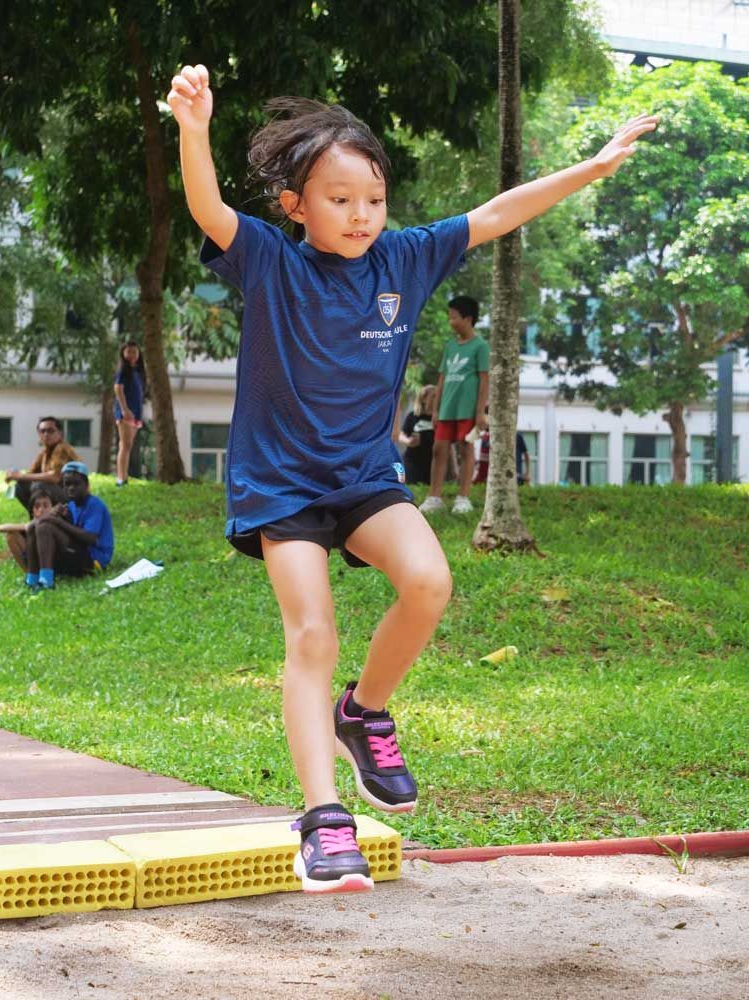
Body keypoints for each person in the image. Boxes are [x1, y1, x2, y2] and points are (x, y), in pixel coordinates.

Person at [168, 62, 656, 893]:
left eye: (374, 199)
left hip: (362, 476)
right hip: (282, 485)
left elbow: (499, 212)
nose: (361, 215)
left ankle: (362, 712)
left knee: (429, 581)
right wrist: (193, 129)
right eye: (339, 198)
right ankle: (324, 821)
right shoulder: (268, 263)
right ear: (295, 205)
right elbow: (209, 208)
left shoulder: (404, 260)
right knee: (311, 635)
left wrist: (595, 166)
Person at [419, 297, 488, 515]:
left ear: (468, 319)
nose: (451, 321)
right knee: (439, 450)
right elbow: (442, 379)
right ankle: (434, 497)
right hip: (447, 409)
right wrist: (436, 408)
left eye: (454, 317)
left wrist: (480, 412)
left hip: (467, 410)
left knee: (466, 449)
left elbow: (484, 380)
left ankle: (463, 497)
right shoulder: (450, 346)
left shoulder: (481, 346)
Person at [24, 461, 114, 592]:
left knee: (45, 526)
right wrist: (58, 516)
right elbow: (67, 532)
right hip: (77, 554)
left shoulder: (95, 505)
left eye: (76, 484)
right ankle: (31, 578)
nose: (71, 488)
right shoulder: (70, 506)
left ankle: (46, 581)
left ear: (87, 485)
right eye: (67, 484)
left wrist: (58, 522)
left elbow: (90, 538)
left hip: (94, 561)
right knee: (36, 526)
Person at [4, 416, 81, 511]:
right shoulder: (45, 453)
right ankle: (37, 518)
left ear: (60, 434)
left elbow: (54, 477)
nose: (46, 434)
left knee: (40, 485)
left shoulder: (61, 448)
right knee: (20, 486)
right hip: (59, 495)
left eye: (50, 431)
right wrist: (14, 475)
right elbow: (30, 475)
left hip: (75, 500)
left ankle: (49, 518)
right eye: (42, 431)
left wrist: (20, 476)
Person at [0, 488, 54, 572]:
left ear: (52, 508)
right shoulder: (30, 525)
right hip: (33, 558)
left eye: (45, 506)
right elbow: (1, 528)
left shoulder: (57, 522)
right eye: (37, 507)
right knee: (11, 536)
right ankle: (28, 571)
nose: (41, 510)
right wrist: (27, 526)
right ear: (32, 512)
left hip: (52, 561)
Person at [113, 341, 146, 487]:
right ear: (123, 354)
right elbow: (118, 389)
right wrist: (125, 409)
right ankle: (121, 478)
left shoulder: (138, 371)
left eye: (135, 351)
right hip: (126, 413)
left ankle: (124, 476)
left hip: (136, 413)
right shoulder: (123, 371)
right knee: (125, 445)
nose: (132, 355)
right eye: (129, 351)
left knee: (128, 445)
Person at [398, 385, 436, 485]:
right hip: (413, 462)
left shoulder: (440, 419)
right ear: (423, 399)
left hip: (434, 463)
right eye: (433, 396)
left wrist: (454, 468)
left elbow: (448, 445)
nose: (437, 399)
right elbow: (400, 435)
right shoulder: (413, 416)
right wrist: (408, 441)